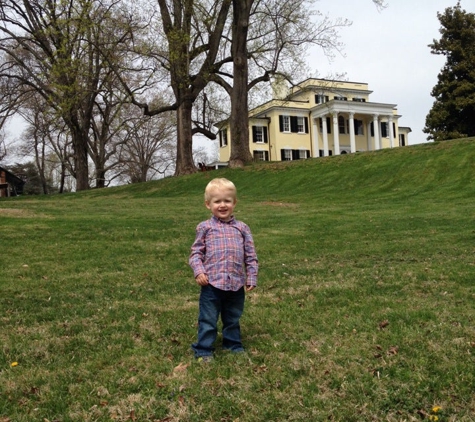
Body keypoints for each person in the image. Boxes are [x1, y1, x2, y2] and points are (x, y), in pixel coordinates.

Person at [189, 178, 258, 361]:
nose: (222, 205)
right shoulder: (205, 228)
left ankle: (233, 344)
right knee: (208, 319)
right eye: (217, 201)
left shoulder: (242, 228)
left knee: (233, 317)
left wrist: (251, 276)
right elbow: (195, 253)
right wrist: (199, 271)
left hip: (235, 284)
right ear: (208, 204)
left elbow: (250, 255)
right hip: (211, 284)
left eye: (227, 200)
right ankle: (203, 349)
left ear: (234, 202)